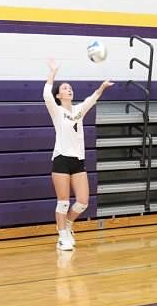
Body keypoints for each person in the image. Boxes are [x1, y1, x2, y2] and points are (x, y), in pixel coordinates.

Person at [43, 58, 114, 251]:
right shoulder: (56, 111)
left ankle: (67, 225)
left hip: (78, 160)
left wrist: (101, 88)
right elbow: (45, 94)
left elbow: (91, 100)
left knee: (82, 202)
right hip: (61, 160)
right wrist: (53, 72)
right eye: (65, 88)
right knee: (64, 202)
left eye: (70, 87)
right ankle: (62, 237)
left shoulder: (78, 111)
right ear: (59, 95)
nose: (69, 90)